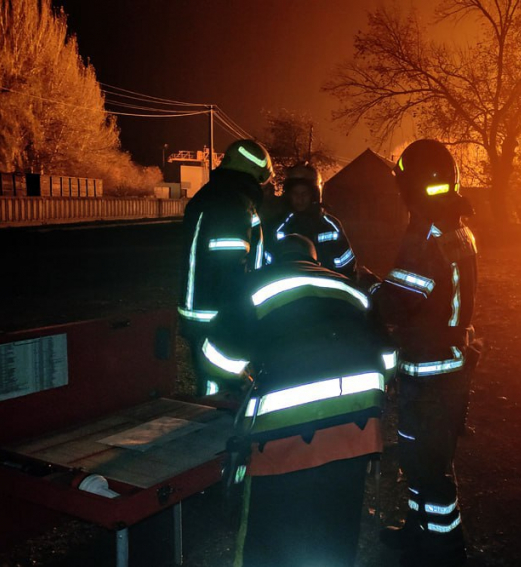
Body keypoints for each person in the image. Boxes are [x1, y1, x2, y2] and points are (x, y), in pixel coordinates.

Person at [199, 234, 392, 567]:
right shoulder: (351, 288)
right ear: (315, 261)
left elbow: (215, 356)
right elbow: (388, 358)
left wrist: (244, 378)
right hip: (359, 428)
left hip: (283, 431)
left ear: (273, 260)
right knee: (336, 522)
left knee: (271, 526)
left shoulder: (254, 284)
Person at [375, 139, 480, 567]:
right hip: (449, 366)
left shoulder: (425, 236)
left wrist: (368, 291)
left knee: (428, 465)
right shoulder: (459, 228)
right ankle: (420, 533)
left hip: (429, 371)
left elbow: (396, 302)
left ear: (412, 186)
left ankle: (443, 550)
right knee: (423, 460)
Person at [178, 139, 273, 396]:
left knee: (210, 375)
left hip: (201, 308)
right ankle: (213, 427)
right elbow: (230, 266)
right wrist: (242, 311)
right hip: (218, 312)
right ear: (256, 174)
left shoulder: (211, 195)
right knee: (219, 382)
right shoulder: (233, 205)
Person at [273, 163, 358, 278]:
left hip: (325, 291)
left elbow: (347, 269)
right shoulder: (279, 226)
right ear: (288, 195)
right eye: (295, 193)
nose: (300, 198)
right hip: (289, 291)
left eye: (305, 193)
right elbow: (269, 265)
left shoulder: (331, 226)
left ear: (314, 194)